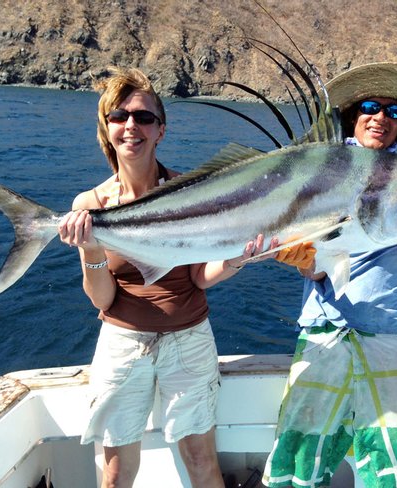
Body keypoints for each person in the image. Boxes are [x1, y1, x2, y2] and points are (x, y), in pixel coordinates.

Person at [57, 67, 275, 488]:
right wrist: (90, 247)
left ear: (161, 130)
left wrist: (237, 259)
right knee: (117, 473)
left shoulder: (189, 190)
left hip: (189, 339)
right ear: (106, 128)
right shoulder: (91, 204)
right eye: (119, 117)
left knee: (200, 461)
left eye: (143, 118)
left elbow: (200, 277)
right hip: (123, 344)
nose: (131, 126)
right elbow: (103, 301)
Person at [265, 63, 397, 488]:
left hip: (386, 331)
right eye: (371, 106)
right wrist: (300, 260)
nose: (381, 118)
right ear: (354, 113)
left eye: (394, 112)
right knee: (297, 464)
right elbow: (317, 267)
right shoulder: (321, 167)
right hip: (322, 332)